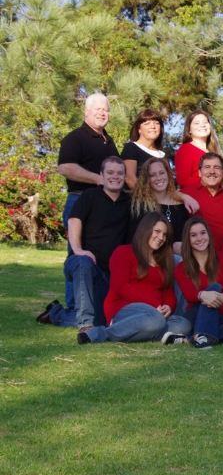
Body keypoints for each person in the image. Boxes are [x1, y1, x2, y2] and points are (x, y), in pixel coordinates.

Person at [40, 157, 130, 332]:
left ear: (125, 177)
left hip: (109, 275)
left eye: (120, 173)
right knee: (84, 262)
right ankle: (85, 325)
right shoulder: (89, 196)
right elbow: (74, 220)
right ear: (101, 175)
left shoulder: (128, 202)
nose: (115, 176)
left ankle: (56, 313)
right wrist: (77, 249)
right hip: (84, 266)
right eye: (110, 172)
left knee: (103, 321)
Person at [76, 212, 191, 345]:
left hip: (155, 314)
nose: (161, 238)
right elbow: (122, 287)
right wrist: (154, 305)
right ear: (145, 229)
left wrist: (168, 306)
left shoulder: (164, 261)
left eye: (165, 235)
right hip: (125, 309)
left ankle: (143, 333)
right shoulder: (123, 252)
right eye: (157, 231)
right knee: (156, 320)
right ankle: (101, 333)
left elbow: (168, 292)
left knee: (183, 325)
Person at [57, 93, 119, 312]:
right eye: (97, 109)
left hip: (103, 205)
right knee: (78, 253)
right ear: (86, 111)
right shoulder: (75, 138)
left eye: (105, 110)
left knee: (100, 252)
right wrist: (98, 180)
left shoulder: (108, 141)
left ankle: (96, 303)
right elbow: (65, 167)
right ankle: (74, 307)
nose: (102, 113)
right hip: (80, 201)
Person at [174, 217, 223, 349]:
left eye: (203, 233)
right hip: (197, 315)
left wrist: (220, 298)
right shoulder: (181, 267)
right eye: (193, 235)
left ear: (209, 234)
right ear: (187, 239)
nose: (200, 238)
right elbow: (189, 294)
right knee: (215, 287)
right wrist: (203, 295)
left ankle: (197, 337)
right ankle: (201, 335)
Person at [129, 158, 190, 255]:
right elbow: (135, 238)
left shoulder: (179, 207)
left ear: (168, 174)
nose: (158, 178)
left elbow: (180, 242)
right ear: (147, 179)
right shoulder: (139, 205)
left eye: (161, 173)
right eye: (152, 175)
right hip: (144, 256)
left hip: (171, 258)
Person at [180, 153, 223, 251]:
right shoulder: (186, 194)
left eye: (217, 167)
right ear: (199, 172)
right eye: (207, 167)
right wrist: (181, 196)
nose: (212, 171)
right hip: (198, 253)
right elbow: (165, 195)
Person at [175, 110, 222, 188]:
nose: (202, 125)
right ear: (189, 129)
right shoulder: (186, 149)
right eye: (197, 123)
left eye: (205, 122)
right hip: (195, 195)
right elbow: (183, 180)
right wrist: (209, 186)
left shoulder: (213, 151)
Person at [122, 109, 166, 189]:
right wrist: (147, 196)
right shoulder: (131, 148)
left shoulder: (162, 155)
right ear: (139, 129)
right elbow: (130, 178)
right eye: (147, 123)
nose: (153, 126)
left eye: (156, 123)